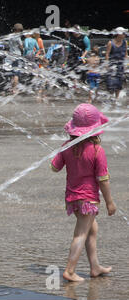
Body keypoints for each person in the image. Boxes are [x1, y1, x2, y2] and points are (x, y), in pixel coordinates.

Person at [50, 103, 116, 282]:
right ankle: (69, 271)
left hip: (72, 198)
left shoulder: (67, 146)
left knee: (92, 229)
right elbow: (103, 180)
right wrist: (110, 202)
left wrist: (61, 153)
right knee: (80, 233)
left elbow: (54, 167)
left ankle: (94, 266)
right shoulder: (96, 151)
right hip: (88, 200)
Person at [105, 27, 127, 100]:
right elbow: (107, 55)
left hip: (120, 65)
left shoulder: (125, 42)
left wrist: (126, 63)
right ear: (118, 34)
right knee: (111, 82)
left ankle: (116, 98)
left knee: (119, 81)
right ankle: (111, 95)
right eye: (123, 33)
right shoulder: (110, 43)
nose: (124, 35)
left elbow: (126, 54)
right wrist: (107, 64)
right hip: (112, 65)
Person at [6, 23, 24, 94]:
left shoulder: (10, 36)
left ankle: (11, 88)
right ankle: (14, 89)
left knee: (12, 73)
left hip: (10, 56)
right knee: (16, 73)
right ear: (18, 30)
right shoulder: (17, 37)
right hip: (17, 55)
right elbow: (21, 47)